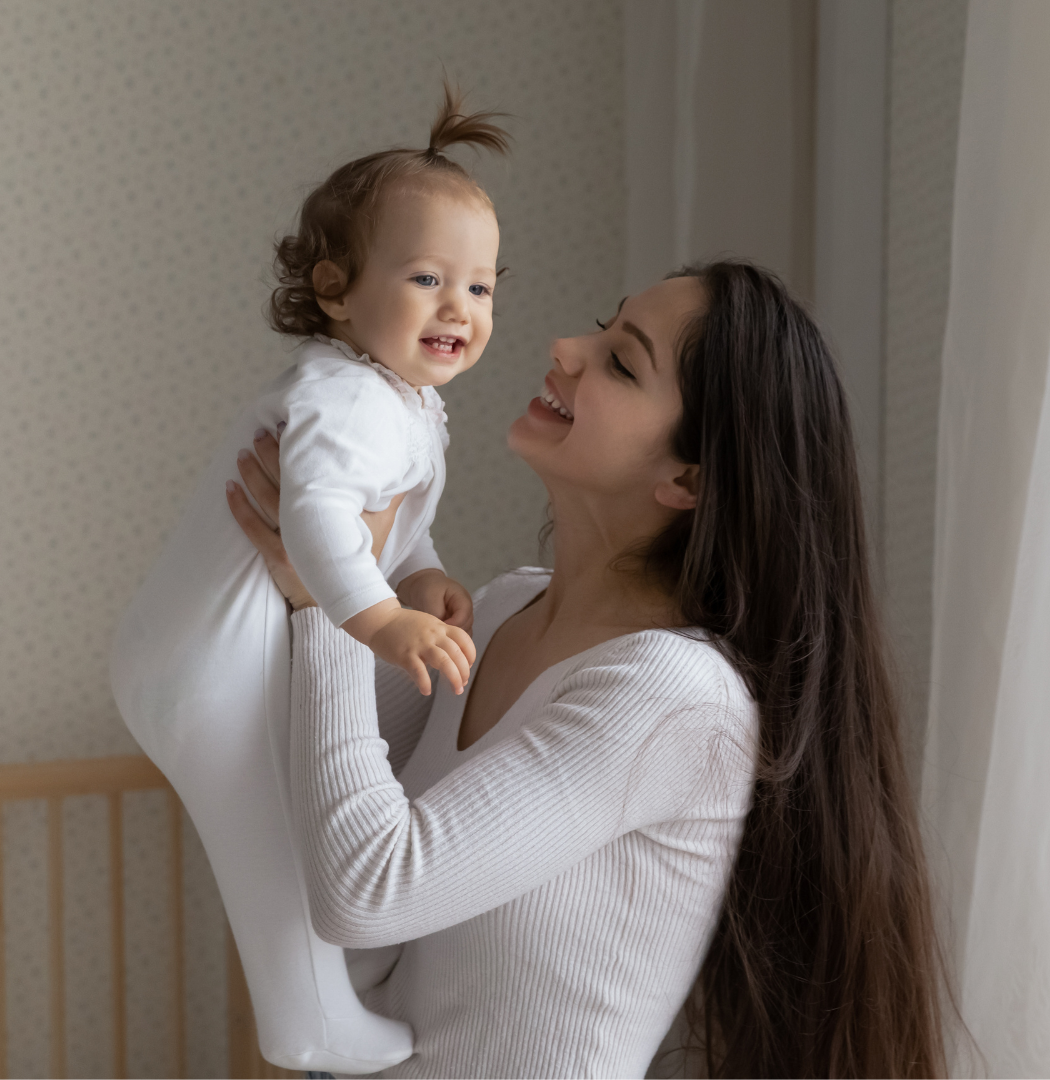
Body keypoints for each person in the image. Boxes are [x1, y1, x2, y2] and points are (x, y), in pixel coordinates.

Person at [227, 260, 948, 1078]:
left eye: (620, 361)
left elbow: (367, 888)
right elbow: (320, 794)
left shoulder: (672, 697)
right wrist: (347, 539)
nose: (566, 347)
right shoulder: (500, 611)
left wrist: (322, 600)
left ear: (687, 478)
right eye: (604, 325)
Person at [110, 87, 508, 1074]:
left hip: (220, 655)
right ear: (337, 289)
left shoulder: (399, 402)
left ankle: (320, 1011)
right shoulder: (344, 392)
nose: (459, 307)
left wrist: (419, 569)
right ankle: (309, 1027)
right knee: (272, 849)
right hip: (204, 666)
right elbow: (320, 515)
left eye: (483, 286)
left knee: (286, 834)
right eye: (427, 277)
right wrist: (377, 616)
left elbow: (385, 516)